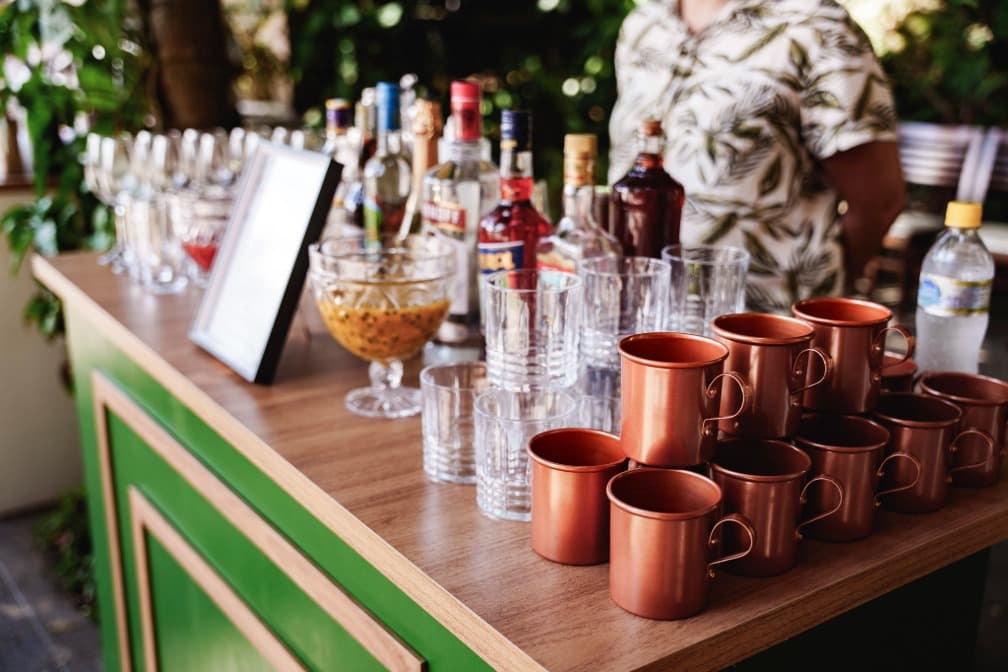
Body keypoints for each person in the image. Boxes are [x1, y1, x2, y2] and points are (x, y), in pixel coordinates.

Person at [609, 0, 905, 312]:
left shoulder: (816, 25)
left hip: (769, 326)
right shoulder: (644, 23)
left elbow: (880, 202)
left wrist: (823, 294)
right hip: (642, 315)